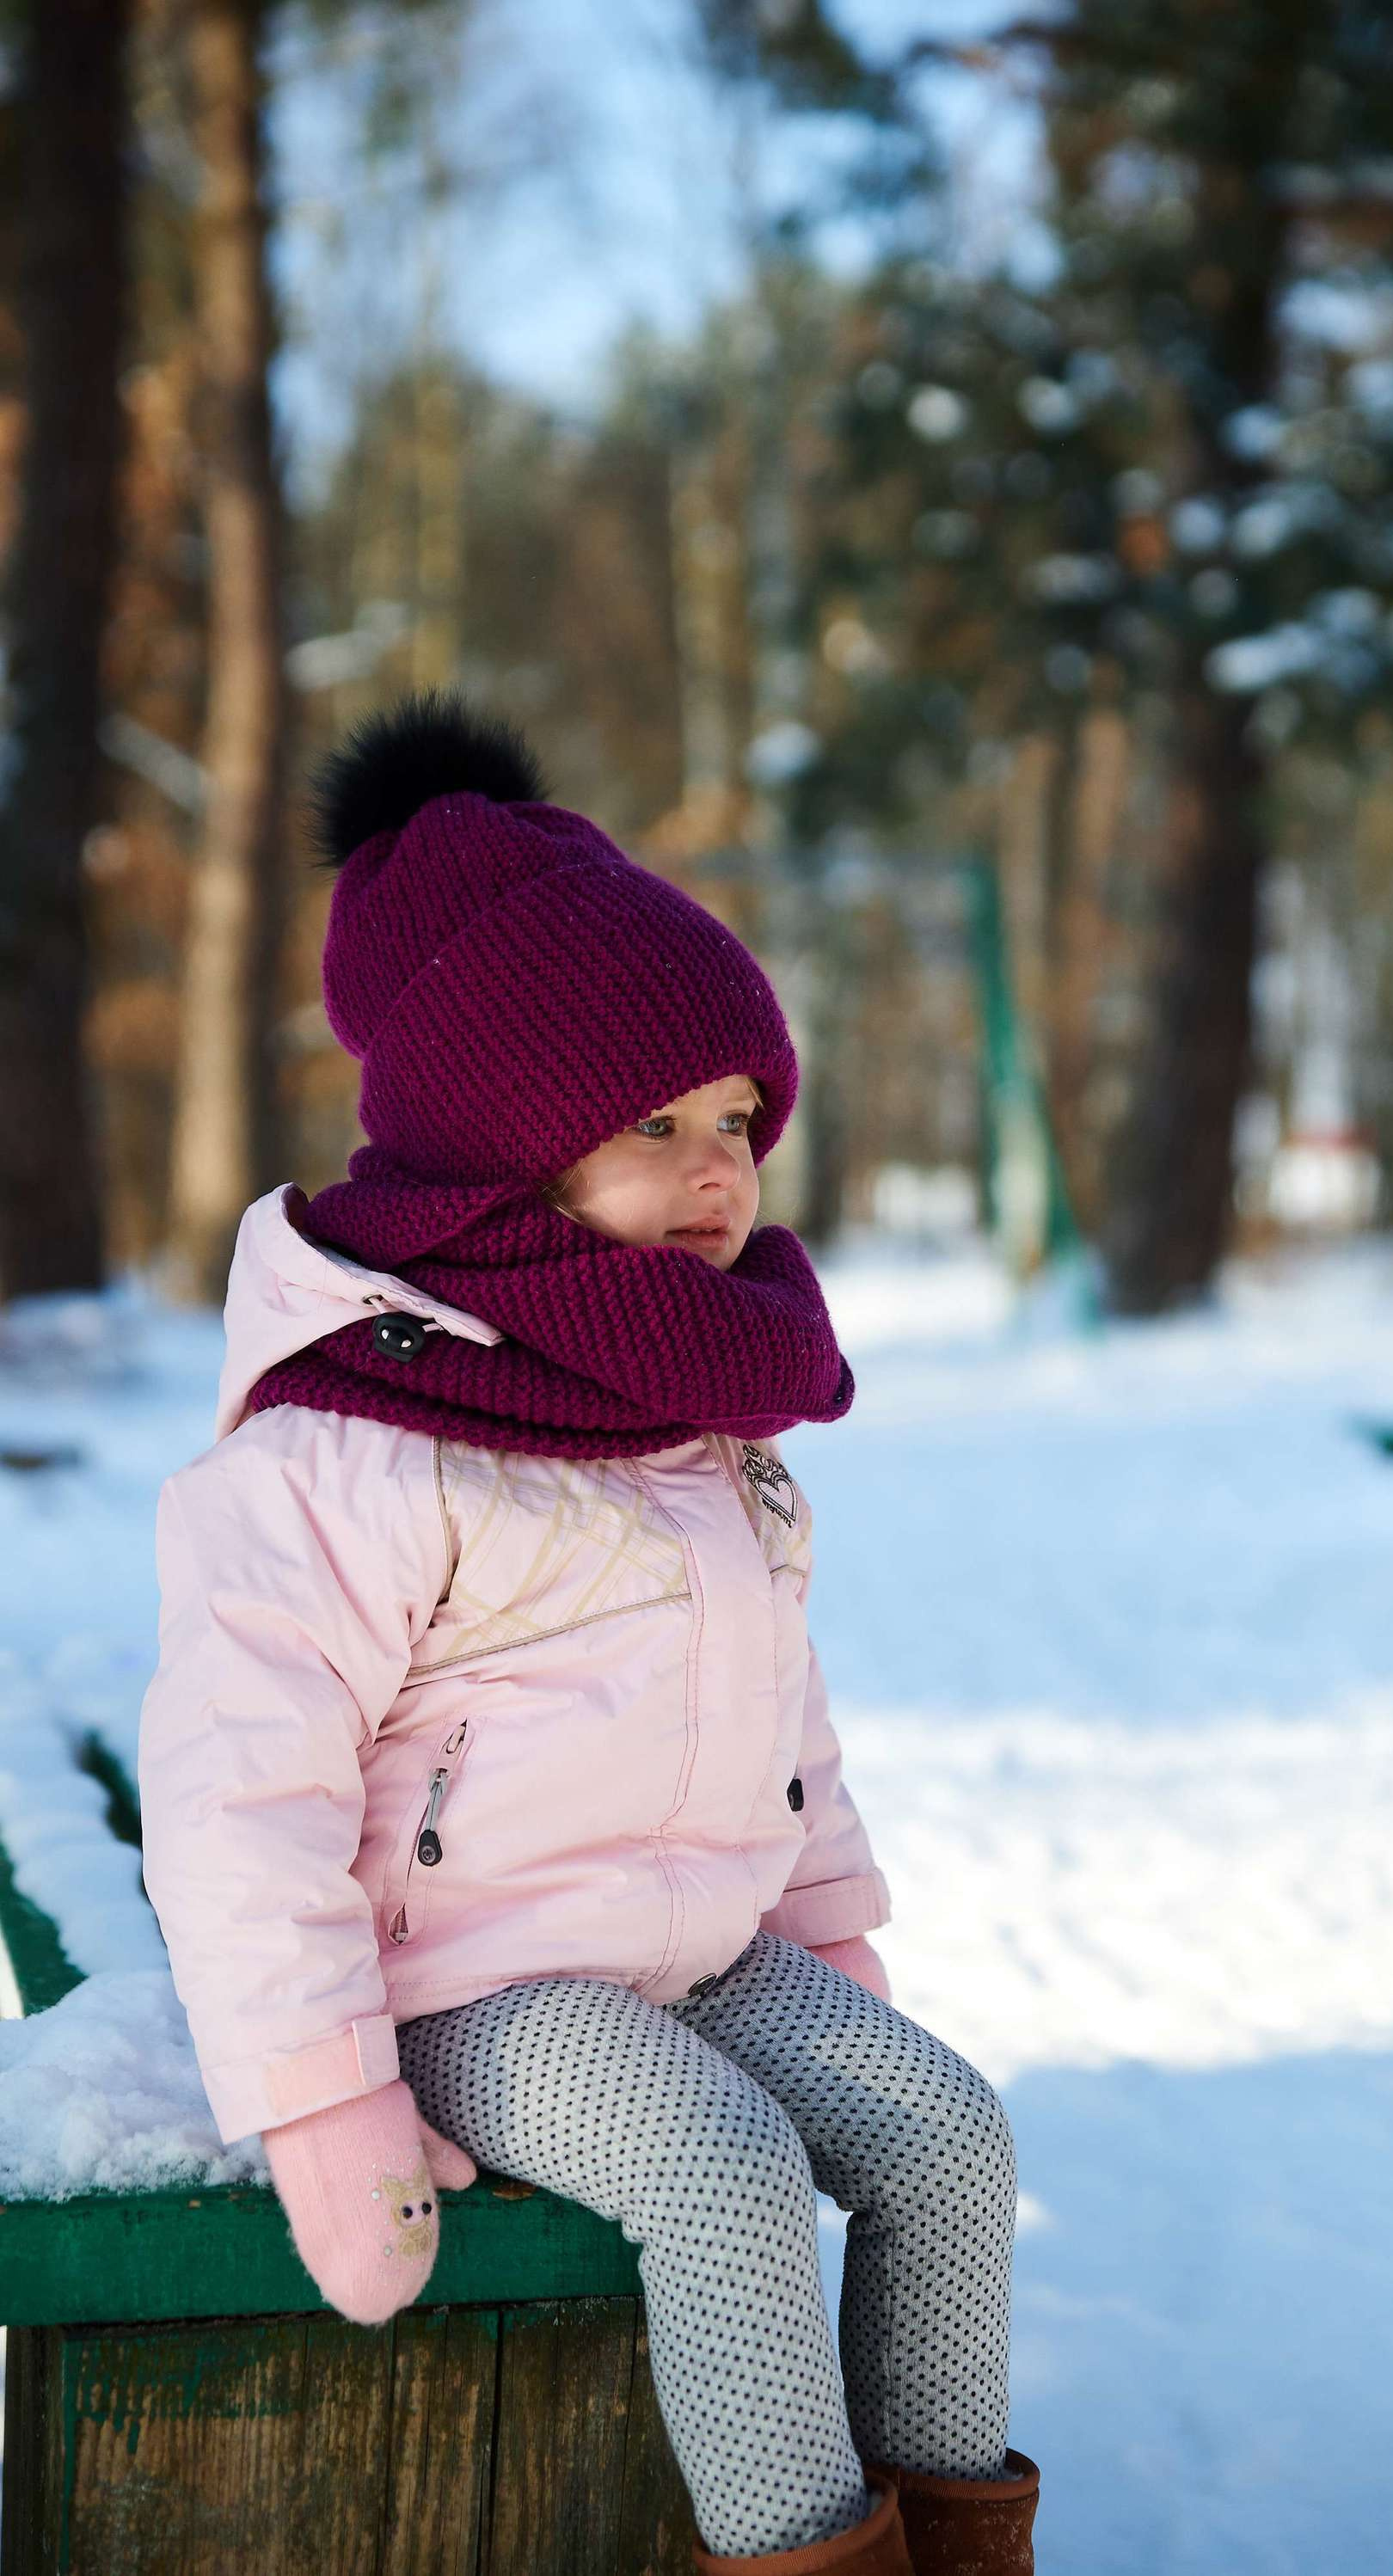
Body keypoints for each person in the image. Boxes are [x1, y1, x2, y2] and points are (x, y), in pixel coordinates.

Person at [136, 694, 1039, 2576]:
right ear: (504, 1146)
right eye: (655, 1125)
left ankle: (958, 2548)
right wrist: (324, 2106)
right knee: (719, 2182)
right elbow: (243, 1797)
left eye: (740, 1122)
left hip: (697, 1944)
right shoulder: (349, 1439)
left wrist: (828, 1932)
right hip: (477, 1982)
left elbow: (775, 1704)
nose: (722, 1169)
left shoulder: (694, 1400)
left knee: (944, 2136)